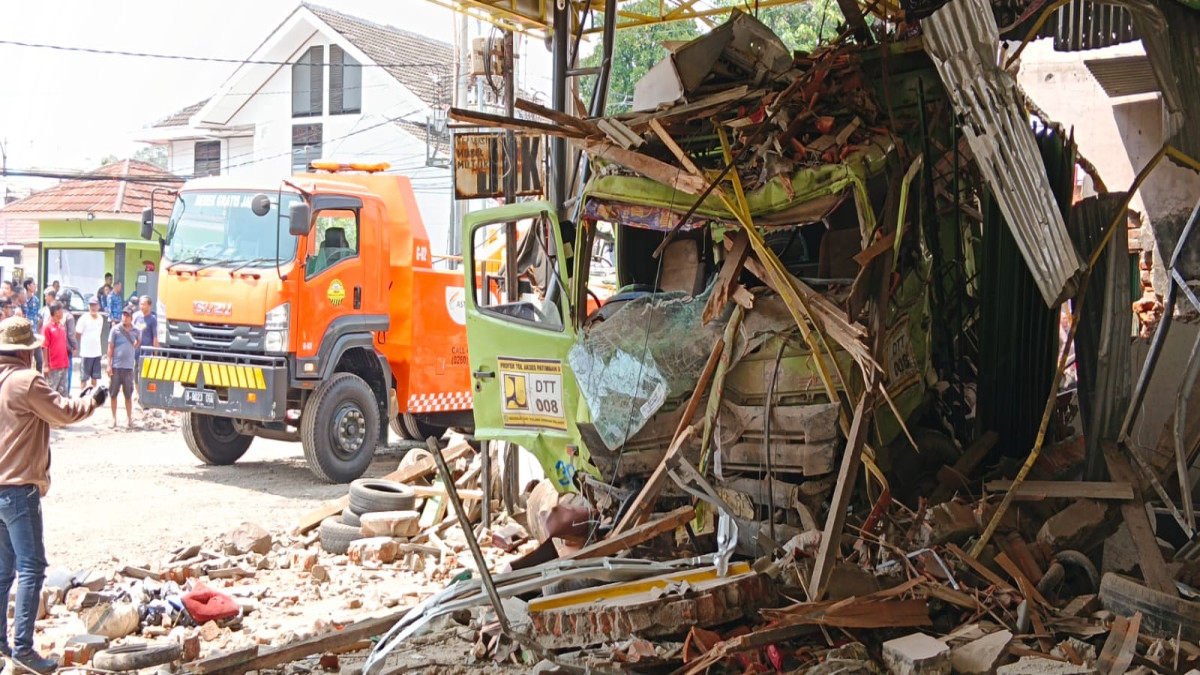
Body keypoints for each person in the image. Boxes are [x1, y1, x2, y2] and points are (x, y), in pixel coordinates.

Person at [0, 316, 105, 674]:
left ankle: (1, 645)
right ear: (24, 352)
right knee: (31, 568)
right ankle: (24, 650)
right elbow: (62, 413)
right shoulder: (25, 381)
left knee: (3, 572)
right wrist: (93, 400)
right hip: (18, 489)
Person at [106, 309, 138, 429]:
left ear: (131, 318)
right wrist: (109, 365)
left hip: (128, 367)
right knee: (113, 394)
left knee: (128, 395)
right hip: (116, 367)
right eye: (123, 315)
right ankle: (113, 419)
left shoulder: (135, 330)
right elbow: (110, 348)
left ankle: (129, 419)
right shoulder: (115, 330)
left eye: (127, 315)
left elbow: (138, 341)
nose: (125, 317)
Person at [40, 305, 70, 397]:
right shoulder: (47, 328)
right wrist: (45, 365)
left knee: (63, 395)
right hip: (53, 367)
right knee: (51, 395)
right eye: (61, 310)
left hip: (63, 365)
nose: (63, 312)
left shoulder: (62, 326)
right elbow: (44, 347)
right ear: (56, 312)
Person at [75, 298, 103, 390]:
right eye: (91, 305)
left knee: (94, 377)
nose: (93, 308)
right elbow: (78, 333)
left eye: (95, 305)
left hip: (97, 352)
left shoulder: (100, 319)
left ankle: (92, 399)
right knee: (84, 378)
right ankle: (82, 399)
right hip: (86, 353)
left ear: (98, 306)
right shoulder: (84, 318)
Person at [58, 292, 76, 397]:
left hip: (56, 349)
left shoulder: (55, 314)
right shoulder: (68, 316)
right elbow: (71, 334)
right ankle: (66, 393)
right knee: (67, 373)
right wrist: (74, 346)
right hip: (66, 349)